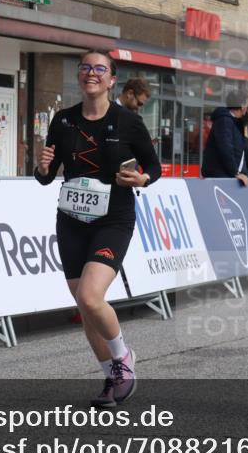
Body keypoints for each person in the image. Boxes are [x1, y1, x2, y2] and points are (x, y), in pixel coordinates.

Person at [35, 50, 161, 407]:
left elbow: (153, 166)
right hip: (71, 220)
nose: (92, 73)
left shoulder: (128, 122)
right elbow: (46, 176)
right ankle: (111, 376)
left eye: (99, 69)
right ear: (79, 76)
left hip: (114, 219)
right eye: (86, 67)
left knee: (92, 296)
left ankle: (123, 357)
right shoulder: (62, 120)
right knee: (84, 305)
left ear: (111, 79)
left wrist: (142, 177)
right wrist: (43, 169)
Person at [201, 89, 248, 186]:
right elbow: (225, 148)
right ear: (242, 106)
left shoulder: (234, 122)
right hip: (221, 178)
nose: (247, 107)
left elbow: (238, 151)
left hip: (229, 176)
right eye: (246, 103)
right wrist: (236, 173)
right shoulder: (224, 121)